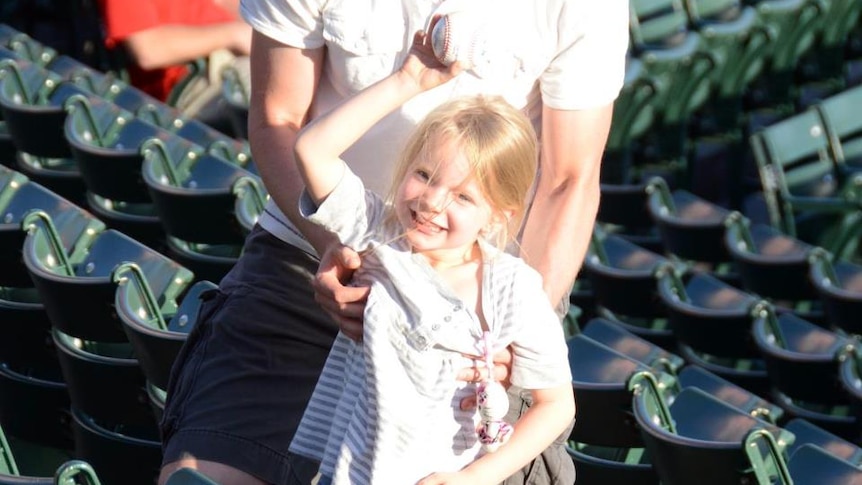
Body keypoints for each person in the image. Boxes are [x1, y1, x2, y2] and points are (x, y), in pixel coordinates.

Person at [158, 0, 629, 484]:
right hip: (306, 259)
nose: (433, 201)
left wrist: (504, 337)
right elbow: (279, 119)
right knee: (202, 474)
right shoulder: (368, 224)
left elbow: (568, 180)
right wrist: (339, 251)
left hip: (479, 309)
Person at [290, 31, 575, 485]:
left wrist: (476, 478)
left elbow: (557, 404)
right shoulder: (380, 235)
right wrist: (406, 81)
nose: (432, 203)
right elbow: (311, 150)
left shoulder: (511, 288)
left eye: (463, 196)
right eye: (423, 174)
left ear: (497, 215)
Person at [97, 0, 251, 129]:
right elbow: (148, 50)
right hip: (189, 80)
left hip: (230, 53)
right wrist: (233, 35)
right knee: (265, 86)